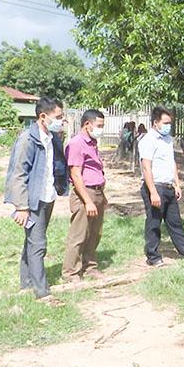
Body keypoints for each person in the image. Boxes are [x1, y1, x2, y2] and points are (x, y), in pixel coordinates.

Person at [4, 96, 69, 304]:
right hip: (33, 201)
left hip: (47, 197)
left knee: (31, 241)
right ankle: (42, 293)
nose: (62, 120)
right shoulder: (27, 139)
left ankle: (27, 283)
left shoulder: (52, 138)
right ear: (43, 116)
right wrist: (21, 206)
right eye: (58, 117)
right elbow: (18, 174)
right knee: (38, 244)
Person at [138, 106, 184, 266]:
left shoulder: (167, 140)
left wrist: (177, 184)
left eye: (170, 123)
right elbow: (146, 167)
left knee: (175, 221)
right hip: (155, 186)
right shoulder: (148, 140)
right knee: (154, 222)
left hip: (168, 186)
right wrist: (152, 192)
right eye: (165, 122)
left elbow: (171, 163)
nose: (168, 126)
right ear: (155, 123)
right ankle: (153, 256)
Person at [62, 109, 108, 282]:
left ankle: (90, 266)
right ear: (87, 124)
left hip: (97, 191)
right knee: (79, 234)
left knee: (94, 233)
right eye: (99, 126)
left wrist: (102, 196)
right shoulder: (76, 143)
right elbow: (75, 174)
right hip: (84, 193)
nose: (101, 129)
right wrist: (87, 201)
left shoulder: (92, 142)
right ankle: (71, 272)